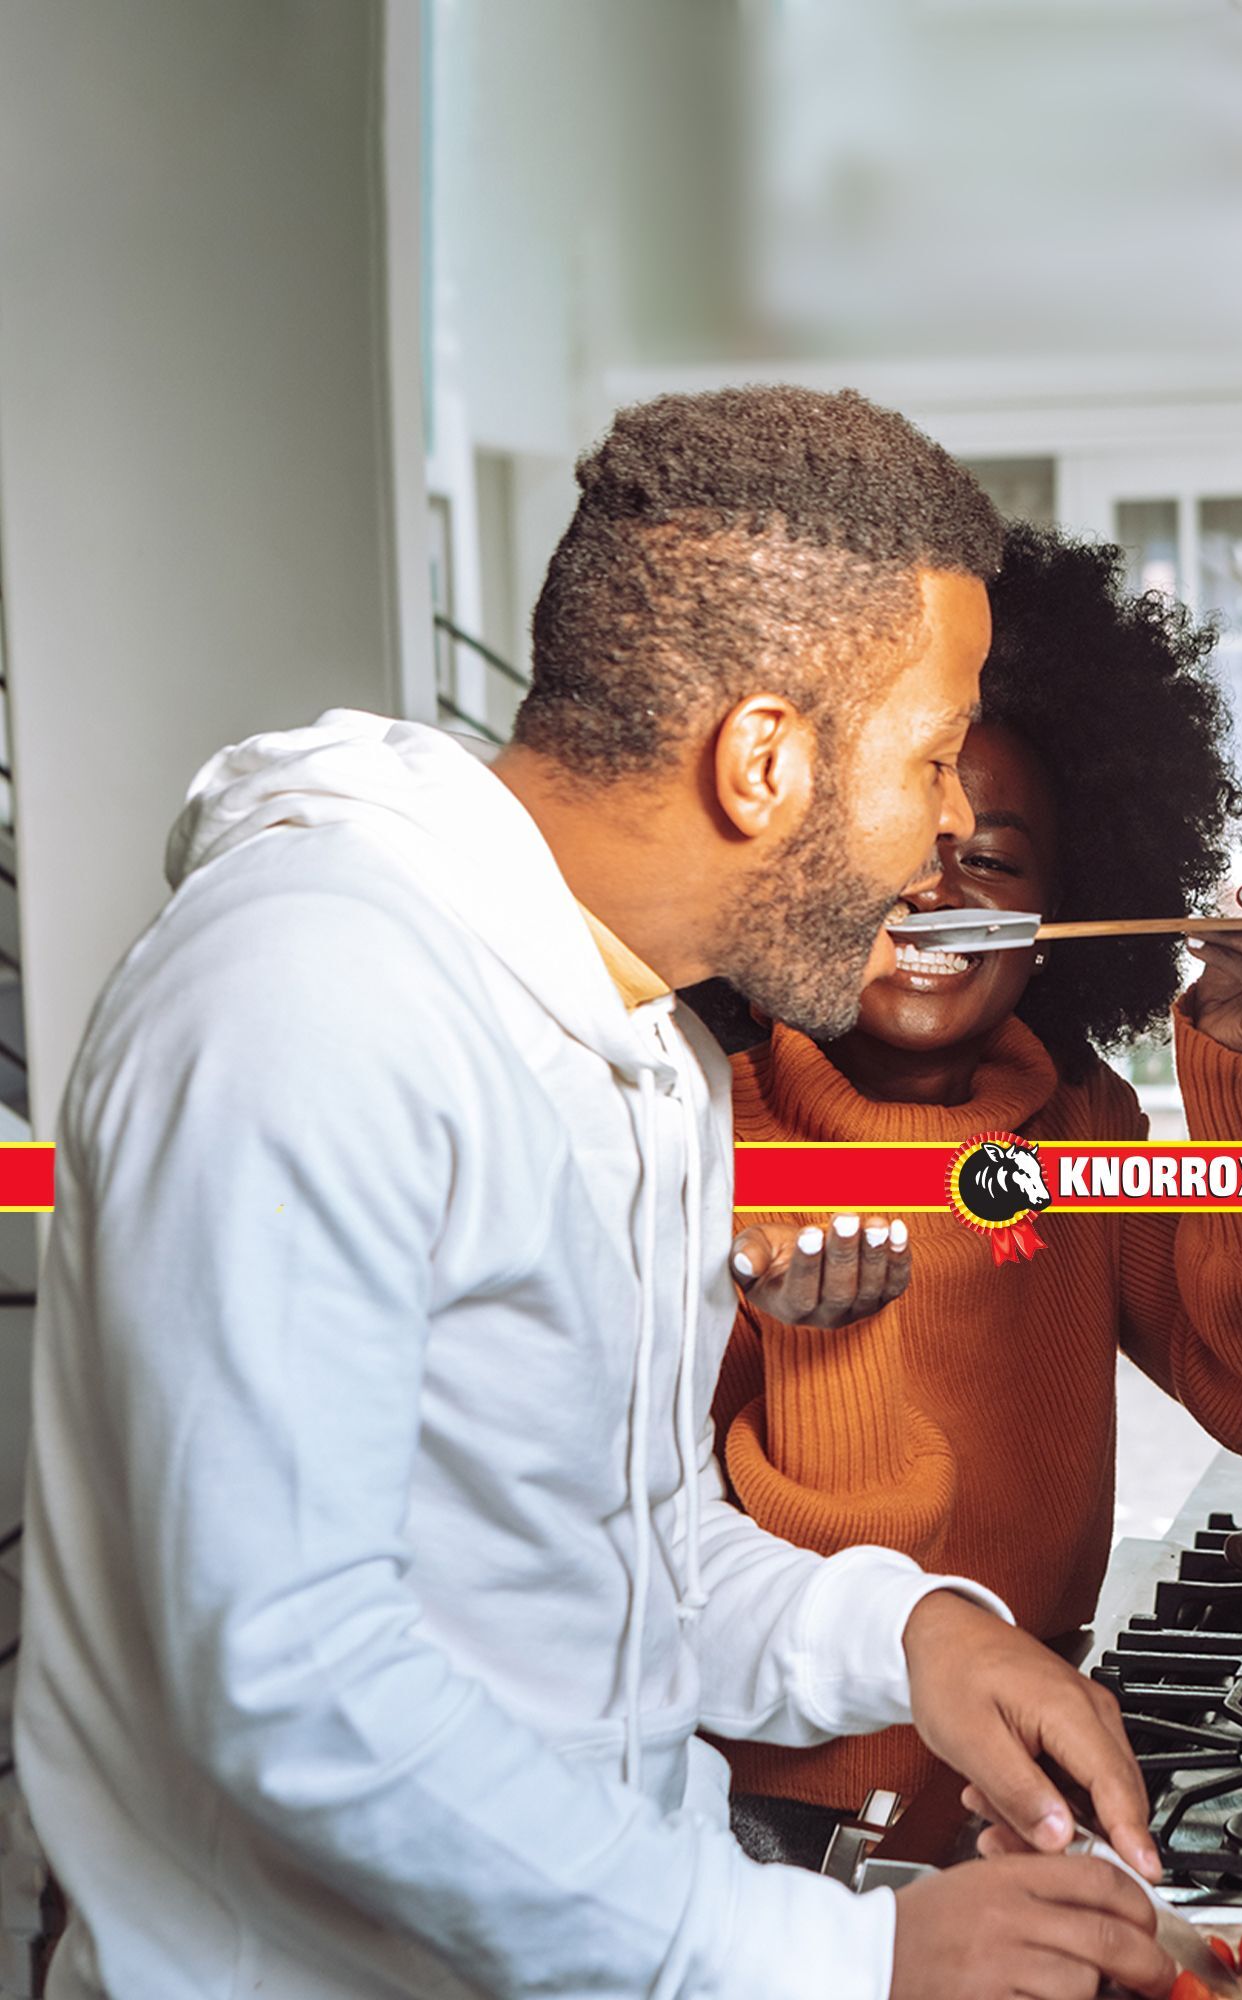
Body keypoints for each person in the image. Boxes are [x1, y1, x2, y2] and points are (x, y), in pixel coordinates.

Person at [15, 390, 1177, 2000]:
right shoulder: (311, 995)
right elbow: (293, 1680)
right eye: (929, 757)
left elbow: (612, 1555)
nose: (959, 824)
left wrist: (914, 1636)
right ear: (764, 758)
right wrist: (833, 1961)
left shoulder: (645, 1049)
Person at [709, 522, 1242, 1854]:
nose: (935, 894)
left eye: (996, 862)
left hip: (1031, 1794)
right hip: (768, 1814)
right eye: (890, 837)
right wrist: (818, 1351)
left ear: (1071, 905)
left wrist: (1238, 1077)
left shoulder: (1080, 1129)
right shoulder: (698, 1144)